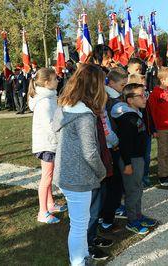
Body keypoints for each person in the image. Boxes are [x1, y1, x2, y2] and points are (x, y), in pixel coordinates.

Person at [53, 64, 107, 266]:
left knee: (80, 223)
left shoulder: (64, 106)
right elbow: (90, 152)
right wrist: (101, 172)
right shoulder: (84, 115)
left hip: (66, 173)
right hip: (78, 176)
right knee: (78, 225)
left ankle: (83, 257)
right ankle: (78, 262)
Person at [111, 83, 157, 235]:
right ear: (130, 100)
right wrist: (128, 164)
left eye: (145, 94)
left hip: (138, 158)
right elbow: (124, 143)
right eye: (141, 95)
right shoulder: (127, 118)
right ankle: (132, 221)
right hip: (131, 160)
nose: (145, 98)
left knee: (138, 188)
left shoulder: (136, 113)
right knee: (132, 190)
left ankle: (138, 215)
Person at [28, 67, 67, 224]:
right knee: (47, 177)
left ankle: (50, 204)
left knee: (48, 177)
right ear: (46, 82)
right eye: (55, 79)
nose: (58, 81)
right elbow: (50, 126)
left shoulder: (49, 98)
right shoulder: (44, 102)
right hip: (47, 144)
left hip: (48, 143)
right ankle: (42, 212)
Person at [98, 69, 127, 234]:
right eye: (122, 85)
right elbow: (105, 126)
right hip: (110, 147)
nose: (123, 88)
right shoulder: (105, 99)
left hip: (109, 145)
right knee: (112, 185)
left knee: (111, 184)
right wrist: (115, 141)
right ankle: (106, 219)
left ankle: (109, 212)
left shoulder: (107, 96)